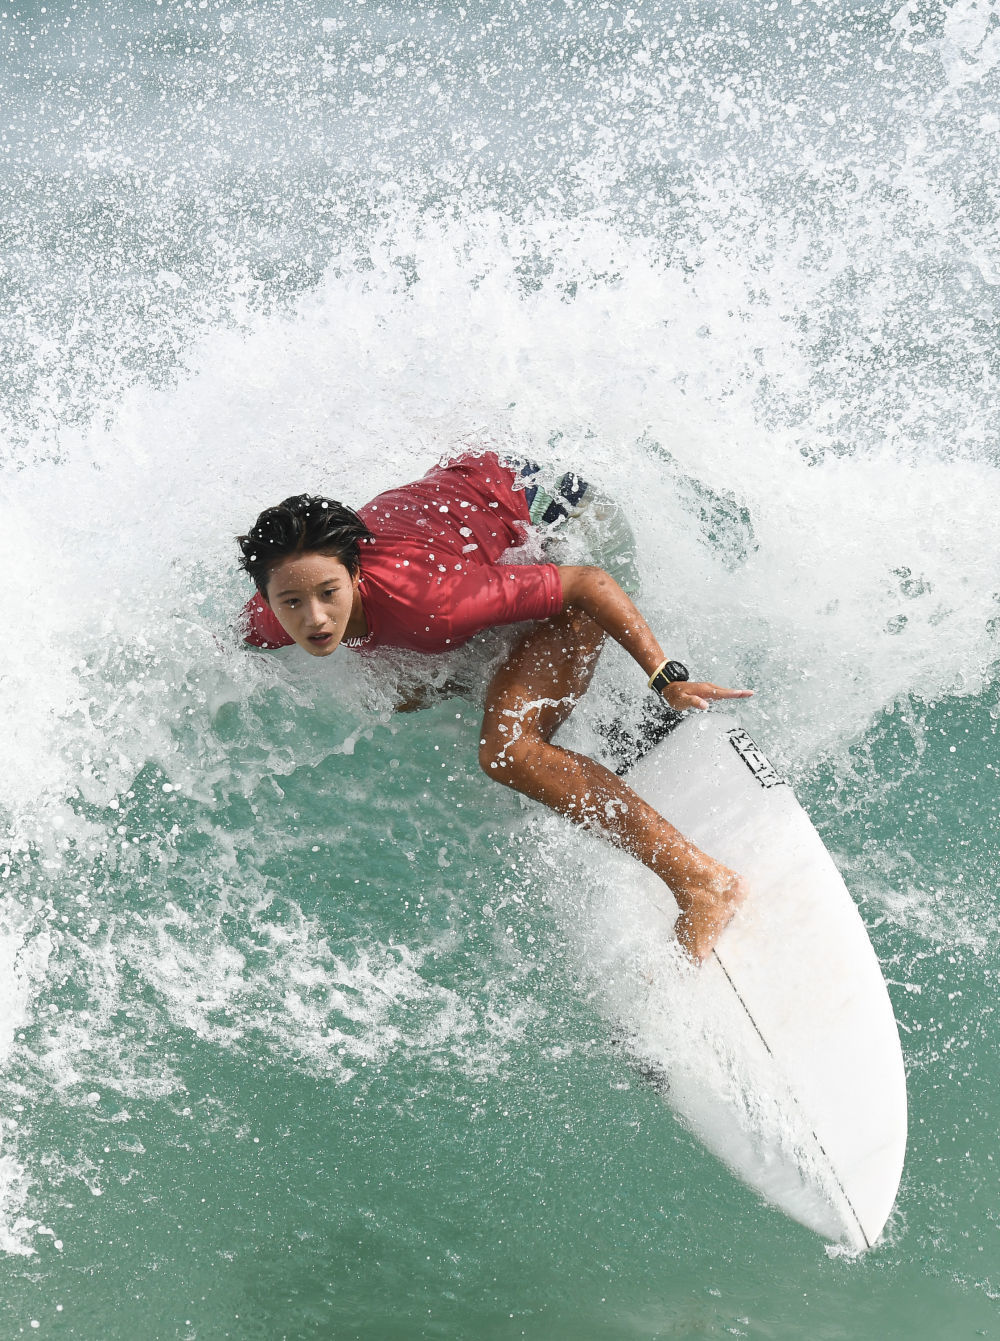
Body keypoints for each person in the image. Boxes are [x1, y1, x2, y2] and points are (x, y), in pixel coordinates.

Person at [237, 450, 752, 962]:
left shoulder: (430, 602)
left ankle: (704, 884)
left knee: (510, 751)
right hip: (482, 496)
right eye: (292, 604)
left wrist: (665, 677)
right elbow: (237, 640)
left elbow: (588, 582)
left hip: (575, 524)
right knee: (410, 694)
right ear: (267, 598)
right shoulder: (274, 610)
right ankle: (572, 715)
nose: (316, 618)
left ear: (355, 575)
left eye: (330, 592)